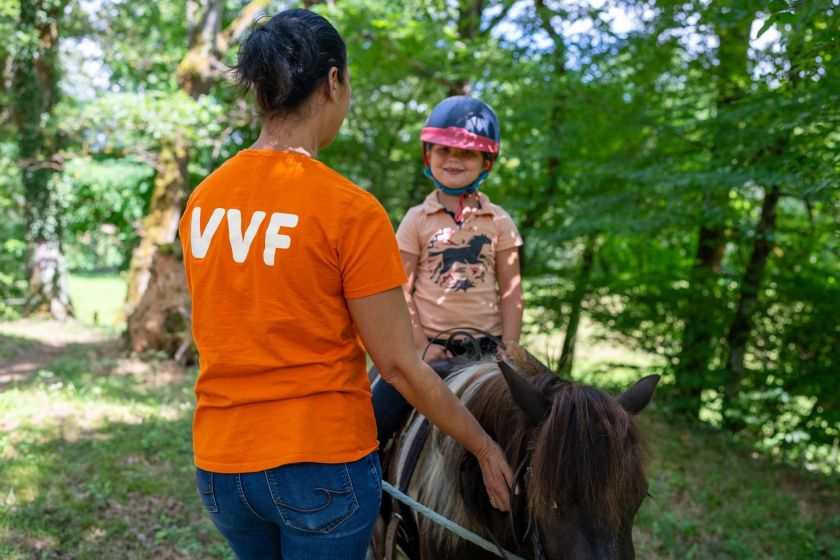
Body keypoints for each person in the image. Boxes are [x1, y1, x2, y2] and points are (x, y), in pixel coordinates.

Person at [178, 9, 513, 560]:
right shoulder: (350, 210)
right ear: (334, 80)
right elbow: (401, 365)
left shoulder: (204, 199)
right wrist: (481, 444)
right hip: (319, 469)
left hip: (221, 467)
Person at [371, 96, 524, 447]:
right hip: (427, 350)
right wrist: (420, 345)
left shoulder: (499, 221)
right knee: (369, 422)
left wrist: (511, 345)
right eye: (443, 150)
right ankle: (368, 494)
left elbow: (511, 289)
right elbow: (400, 289)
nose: (454, 159)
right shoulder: (416, 219)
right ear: (429, 156)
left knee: (530, 426)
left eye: (467, 153)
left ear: (487, 161)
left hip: (486, 350)